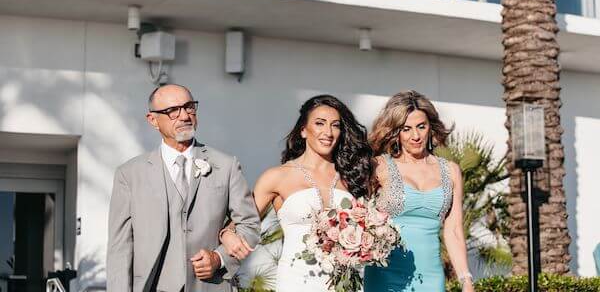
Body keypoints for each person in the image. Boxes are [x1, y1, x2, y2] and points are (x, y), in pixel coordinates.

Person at [106, 84, 261, 292]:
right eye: (172, 111)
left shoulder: (226, 166)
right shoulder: (129, 174)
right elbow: (120, 248)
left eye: (189, 107)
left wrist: (219, 258)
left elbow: (250, 225)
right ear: (153, 120)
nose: (185, 116)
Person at [218, 95, 372, 291]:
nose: (328, 132)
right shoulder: (276, 177)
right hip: (297, 280)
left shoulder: (353, 176)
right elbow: (242, 223)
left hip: (348, 283)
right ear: (303, 131)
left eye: (335, 125)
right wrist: (227, 234)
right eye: (319, 123)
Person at [364, 90, 474, 292]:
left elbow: (454, 230)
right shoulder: (378, 167)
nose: (415, 136)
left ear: (430, 127)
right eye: (406, 129)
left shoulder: (450, 171)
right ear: (395, 132)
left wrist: (466, 279)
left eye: (421, 127)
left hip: (431, 278)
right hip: (385, 277)